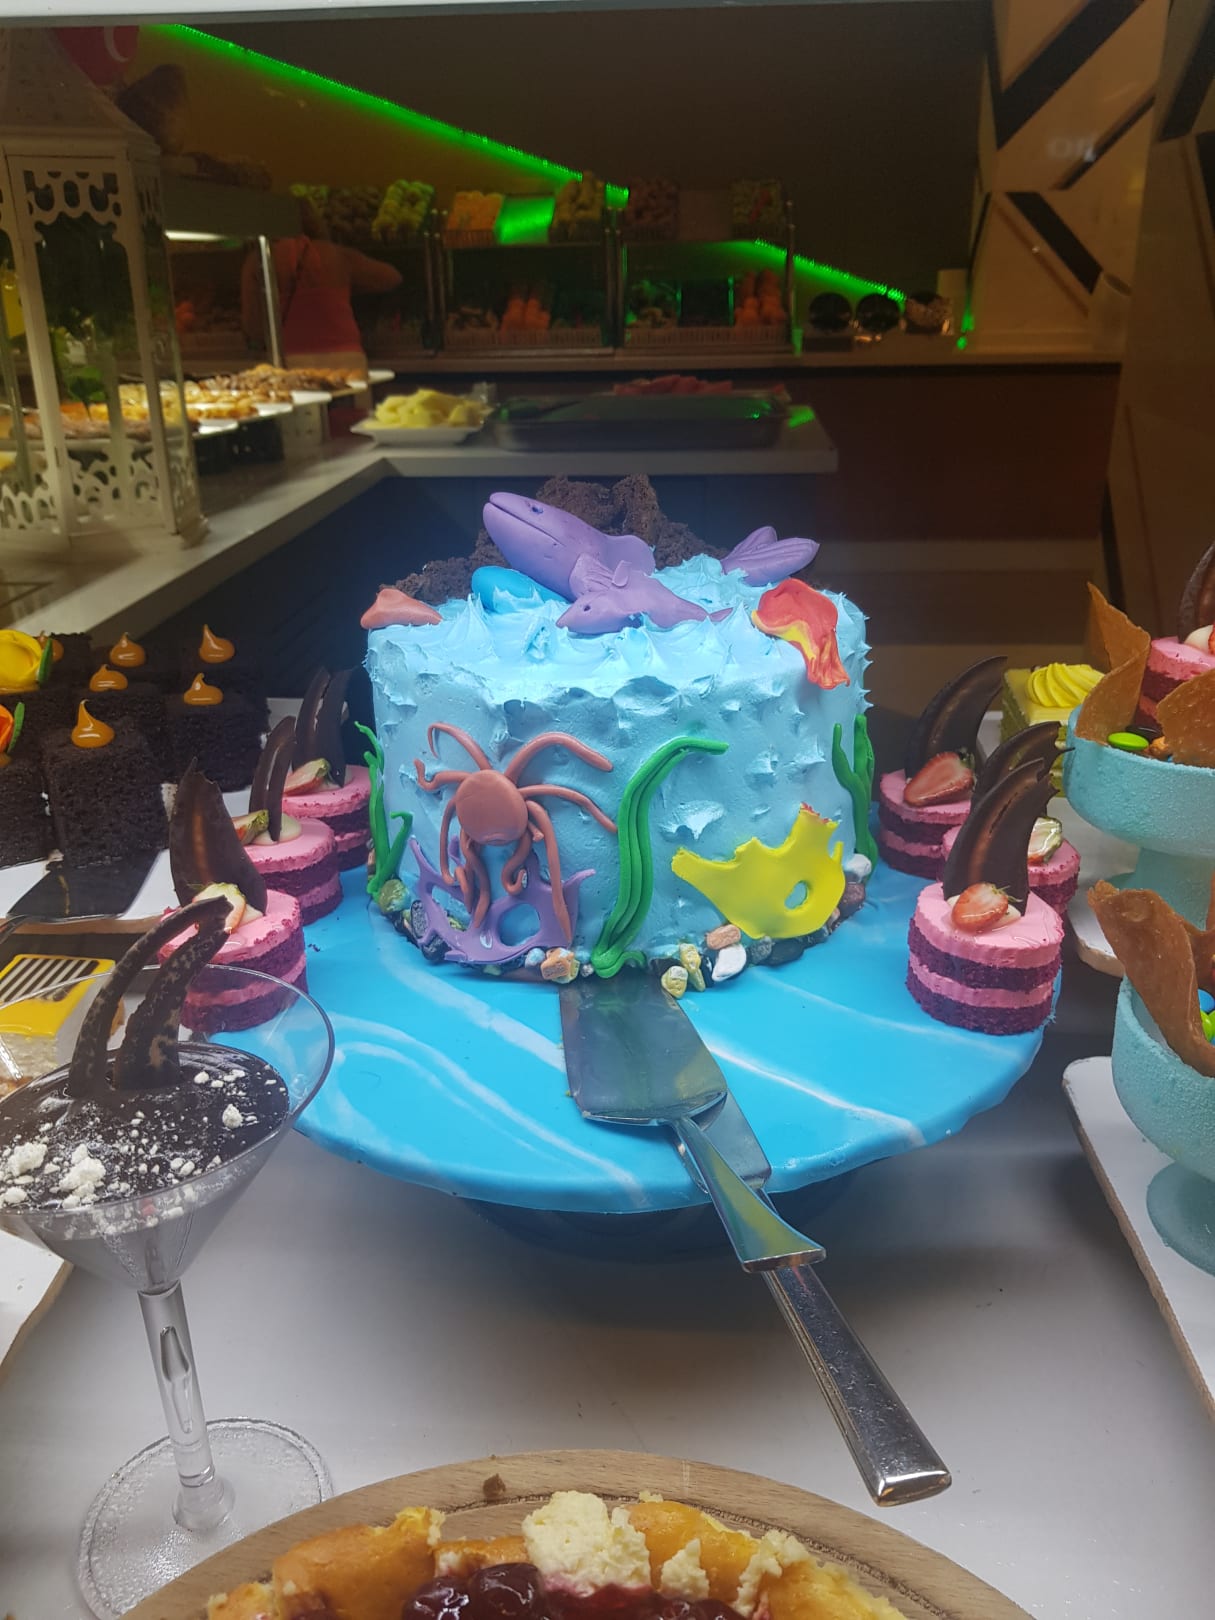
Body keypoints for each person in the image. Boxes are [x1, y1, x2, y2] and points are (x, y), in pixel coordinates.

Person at [241, 197, 402, 374]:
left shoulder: (259, 260)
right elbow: (392, 277)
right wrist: (346, 287)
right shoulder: (335, 254)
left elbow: (253, 327)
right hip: (346, 360)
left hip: (291, 361)